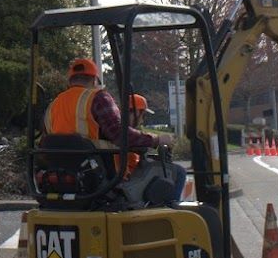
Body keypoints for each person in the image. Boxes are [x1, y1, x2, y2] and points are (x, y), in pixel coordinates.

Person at [44, 58, 180, 204]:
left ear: (70, 81)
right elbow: (119, 134)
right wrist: (156, 140)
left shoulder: (53, 106)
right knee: (174, 173)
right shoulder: (97, 98)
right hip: (103, 179)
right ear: (94, 80)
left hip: (62, 179)